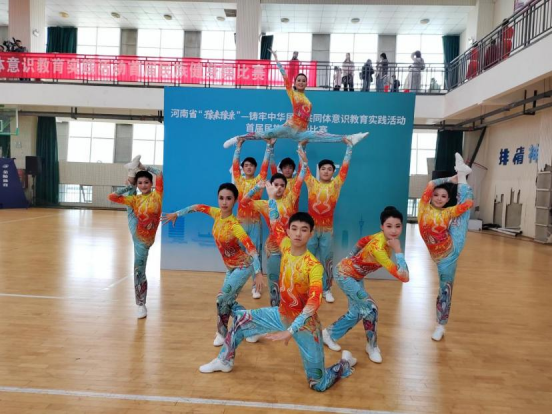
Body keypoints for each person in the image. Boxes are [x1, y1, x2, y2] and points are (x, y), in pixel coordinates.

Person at [198, 181, 357, 392]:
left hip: (304, 326)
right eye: (294, 229)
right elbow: (274, 222)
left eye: (304, 230)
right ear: (288, 231)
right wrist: (271, 198)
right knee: (241, 322)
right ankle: (224, 360)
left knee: (318, 384)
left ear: (311, 234)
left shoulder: (314, 266)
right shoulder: (285, 247)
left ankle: (345, 362)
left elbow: (313, 304)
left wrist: (290, 331)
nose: (298, 234)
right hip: (281, 314)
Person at [162, 183, 264, 346]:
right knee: (226, 301)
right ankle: (253, 328)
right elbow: (197, 207)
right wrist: (177, 214)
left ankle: (222, 334)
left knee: (221, 299)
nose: (224, 202)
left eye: (228, 199)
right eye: (221, 198)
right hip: (230, 267)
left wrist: (258, 272)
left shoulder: (235, 226)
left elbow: (252, 249)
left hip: (244, 266)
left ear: (235, 201)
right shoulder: (216, 213)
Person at [223, 49, 368, 148]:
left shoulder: (309, 102)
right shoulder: (293, 94)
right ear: (295, 82)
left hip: (301, 132)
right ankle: (238, 138)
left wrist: (305, 138)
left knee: (322, 135)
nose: (301, 82)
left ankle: (348, 138)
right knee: (263, 134)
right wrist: (277, 61)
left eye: (304, 81)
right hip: (289, 127)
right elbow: (286, 77)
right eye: (299, 80)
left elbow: (307, 119)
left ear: (306, 83)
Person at [322, 206, 409, 364]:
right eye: (389, 226)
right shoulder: (379, 249)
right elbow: (404, 277)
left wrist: (350, 257)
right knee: (371, 308)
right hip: (344, 275)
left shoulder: (380, 236)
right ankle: (371, 346)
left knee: (357, 312)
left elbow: (362, 241)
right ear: (382, 226)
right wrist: (398, 251)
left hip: (356, 276)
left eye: (397, 226)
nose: (394, 230)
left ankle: (328, 334)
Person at [241, 147, 307, 306]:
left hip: (291, 246)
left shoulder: (290, 199)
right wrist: (257, 187)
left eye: (282, 185)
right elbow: (243, 202)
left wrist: (304, 163)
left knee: (291, 280)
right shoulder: (264, 204)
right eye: (275, 184)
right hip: (274, 247)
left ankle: (291, 307)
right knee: (274, 280)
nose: (279, 187)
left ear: (285, 187)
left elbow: (300, 180)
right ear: (270, 185)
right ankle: (275, 308)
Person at [418, 153, 474, 341]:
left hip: (450, 252)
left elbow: (468, 204)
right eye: (436, 195)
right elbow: (430, 184)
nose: (439, 198)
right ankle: (462, 174)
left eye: (444, 196)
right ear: (430, 196)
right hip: (436, 254)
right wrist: (451, 179)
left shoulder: (448, 212)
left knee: (445, 288)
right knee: (461, 212)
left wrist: (461, 186)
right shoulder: (423, 206)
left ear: (448, 198)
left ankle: (440, 325)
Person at [108, 159, 163, 319]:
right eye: (140, 183)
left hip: (149, 235)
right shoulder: (135, 198)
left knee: (131, 209)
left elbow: (159, 173)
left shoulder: (158, 195)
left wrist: (144, 167)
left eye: (146, 182)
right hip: (139, 234)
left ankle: (132, 170)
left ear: (151, 184)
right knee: (139, 269)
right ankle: (141, 304)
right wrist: (129, 186)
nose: (143, 185)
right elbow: (112, 196)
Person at [302, 140, 354, 303]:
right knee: (308, 259)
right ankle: (309, 288)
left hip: (327, 230)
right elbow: (304, 166)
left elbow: (344, 169)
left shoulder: (336, 185)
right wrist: (302, 147)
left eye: (329, 169)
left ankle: (326, 289)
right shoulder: (311, 183)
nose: (326, 171)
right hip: (310, 230)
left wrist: (349, 148)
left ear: (333, 172)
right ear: (319, 170)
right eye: (323, 168)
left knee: (327, 260)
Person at [233, 139, 272, 299]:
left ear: (255, 168)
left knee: (256, 254)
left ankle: (256, 287)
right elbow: (235, 165)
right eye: (246, 165)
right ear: (243, 168)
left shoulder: (259, 181)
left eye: (251, 165)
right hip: (241, 222)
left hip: (255, 223)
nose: (248, 167)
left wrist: (269, 146)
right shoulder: (239, 180)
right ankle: (237, 284)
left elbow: (265, 165)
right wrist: (238, 147)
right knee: (240, 254)